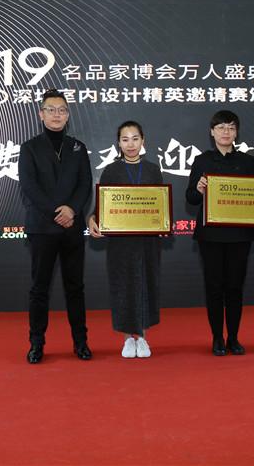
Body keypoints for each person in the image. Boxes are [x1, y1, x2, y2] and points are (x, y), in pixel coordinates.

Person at [17, 89, 93, 364]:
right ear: (41, 114)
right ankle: (36, 344)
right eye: (51, 109)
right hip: (42, 227)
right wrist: (55, 212)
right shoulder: (29, 148)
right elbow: (29, 186)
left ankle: (81, 342)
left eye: (62, 110)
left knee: (75, 288)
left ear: (68, 115)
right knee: (40, 289)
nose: (57, 114)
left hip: (72, 227)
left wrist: (71, 209)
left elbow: (85, 184)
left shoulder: (77, 147)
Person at [88, 121, 163, 359]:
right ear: (118, 143)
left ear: (143, 141)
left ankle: (142, 336)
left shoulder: (152, 170)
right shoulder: (111, 171)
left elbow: (161, 204)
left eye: (135, 139)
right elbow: (102, 206)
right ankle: (128, 338)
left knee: (145, 284)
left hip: (147, 241)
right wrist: (92, 218)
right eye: (125, 139)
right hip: (120, 242)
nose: (130, 144)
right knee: (124, 286)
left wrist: (164, 223)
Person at [186, 110, 254, 356]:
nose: (226, 132)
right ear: (212, 131)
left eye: (231, 127)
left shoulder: (247, 161)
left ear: (236, 132)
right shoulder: (202, 160)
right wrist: (198, 189)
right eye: (221, 127)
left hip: (240, 234)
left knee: (235, 287)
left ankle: (234, 338)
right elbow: (190, 198)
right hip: (211, 235)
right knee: (214, 287)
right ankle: (217, 338)